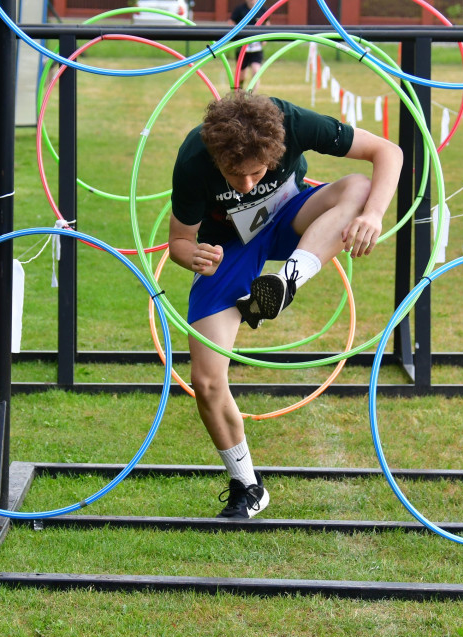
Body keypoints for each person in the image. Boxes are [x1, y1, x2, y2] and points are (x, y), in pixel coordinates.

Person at [169, 91, 403, 519]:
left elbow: (387, 151)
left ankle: (287, 281)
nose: (245, 185)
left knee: (358, 188)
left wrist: (374, 215)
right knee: (205, 380)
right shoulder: (193, 159)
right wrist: (195, 255)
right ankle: (247, 485)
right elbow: (179, 242)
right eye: (234, 175)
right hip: (228, 246)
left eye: (256, 173)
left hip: (292, 217)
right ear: (216, 156)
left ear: (275, 150)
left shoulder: (291, 122)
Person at [229, 0, 269, 91]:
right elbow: (231, 22)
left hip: (256, 48)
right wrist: (235, 35)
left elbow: (267, 23)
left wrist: (265, 37)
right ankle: (239, 92)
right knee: (242, 75)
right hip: (243, 46)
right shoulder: (240, 9)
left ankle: (253, 96)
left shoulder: (262, 9)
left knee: (256, 71)